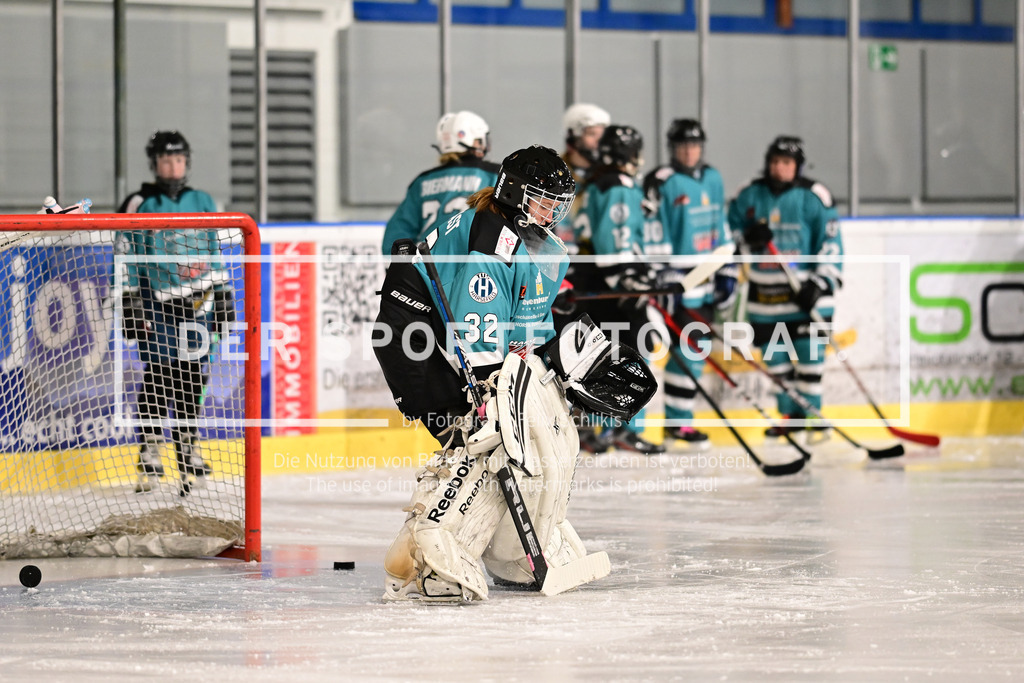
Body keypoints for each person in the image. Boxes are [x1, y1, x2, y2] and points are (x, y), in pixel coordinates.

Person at [374, 144, 656, 602]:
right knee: (482, 439)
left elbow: (523, 331)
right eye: (545, 199)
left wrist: (568, 359)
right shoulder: (492, 248)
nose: (555, 210)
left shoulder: (526, 238)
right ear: (516, 193)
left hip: (438, 337)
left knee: (520, 430)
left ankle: (517, 552)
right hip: (415, 343)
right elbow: (479, 341)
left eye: (559, 202)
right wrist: (489, 402)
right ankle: (428, 556)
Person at [117, 130, 235, 492]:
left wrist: (223, 292)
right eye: (166, 159)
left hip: (199, 303)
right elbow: (125, 254)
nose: (173, 166)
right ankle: (150, 451)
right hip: (156, 304)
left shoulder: (202, 200)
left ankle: (187, 449)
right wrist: (130, 300)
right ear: (154, 163)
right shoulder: (139, 202)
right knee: (159, 375)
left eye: (179, 159)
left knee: (191, 377)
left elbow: (214, 250)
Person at [727, 135, 843, 438]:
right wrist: (747, 239)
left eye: (787, 163)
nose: (779, 168)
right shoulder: (749, 194)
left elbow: (831, 244)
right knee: (776, 362)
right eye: (775, 162)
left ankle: (814, 415)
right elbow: (728, 233)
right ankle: (791, 416)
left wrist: (819, 283)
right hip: (765, 297)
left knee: (809, 357)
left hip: (805, 296)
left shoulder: (816, 196)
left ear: (798, 166)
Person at [570, 124, 664, 455]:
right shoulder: (618, 187)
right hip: (609, 289)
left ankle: (603, 429)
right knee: (633, 351)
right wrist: (627, 281)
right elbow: (615, 243)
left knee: (602, 356)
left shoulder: (596, 182)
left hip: (590, 281)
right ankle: (620, 429)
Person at [642, 118, 735, 449]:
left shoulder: (713, 178)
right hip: (673, 286)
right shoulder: (660, 181)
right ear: (672, 149)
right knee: (649, 350)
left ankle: (679, 424)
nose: (689, 151)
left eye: (694, 145)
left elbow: (720, 225)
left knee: (693, 354)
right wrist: (662, 277)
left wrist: (727, 269)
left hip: (703, 283)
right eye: (682, 146)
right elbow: (653, 230)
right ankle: (631, 428)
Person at [381, 111, 499, 254]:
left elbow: (394, 237)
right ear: (468, 141)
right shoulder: (495, 175)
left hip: (429, 266)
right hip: (473, 265)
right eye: (479, 141)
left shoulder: (422, 181)